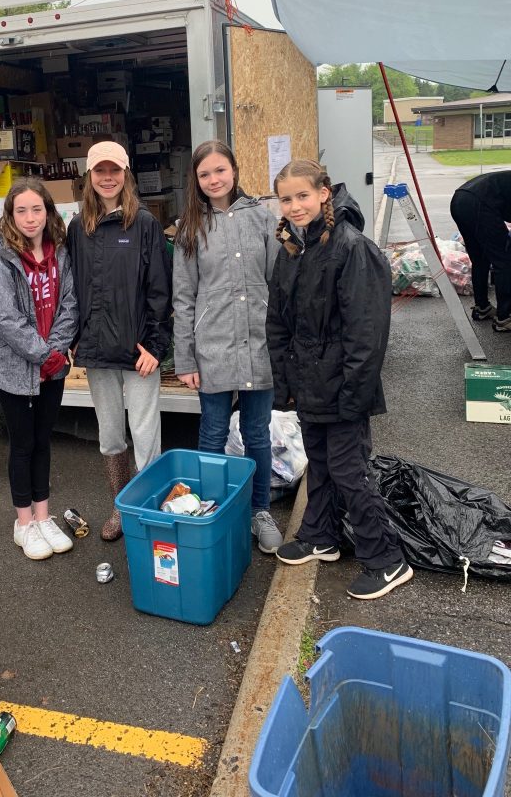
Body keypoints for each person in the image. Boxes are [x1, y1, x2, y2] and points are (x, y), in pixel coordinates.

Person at [267, 159, 413, 600]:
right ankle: (320, 536)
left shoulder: (352, 248)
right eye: (287, 198)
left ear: (324, 193)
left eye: (303, 196)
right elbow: (279, 321)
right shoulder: (293, 249)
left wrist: (354, 394)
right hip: (309, 384)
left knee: (352, 473)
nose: (295, 206)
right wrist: (284, 382)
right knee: (322, 465)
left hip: (344, 387)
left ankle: (386, 560)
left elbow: (366, 335)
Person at [173, 141, 283, 553]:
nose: (214, 179)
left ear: (234, 170)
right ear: (196, 182)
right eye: (205, 174)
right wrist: (185, 357)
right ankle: (212, 507)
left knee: (258, 432)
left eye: (220, 170)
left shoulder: (262, 218)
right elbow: (183, 298)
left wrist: (283, 345)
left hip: (258, 344)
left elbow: (279, 284)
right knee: (213, 432)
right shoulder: (190, 228)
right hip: (213, 346)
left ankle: (259, 509)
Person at [67, 141, 172, 541]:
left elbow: (160, 291)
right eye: (99, 171)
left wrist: (156, 346)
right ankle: (120, 507)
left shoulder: (143, 224)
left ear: (125, 174)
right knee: (110, 434)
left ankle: (148, 507)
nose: (107, 178)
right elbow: (74, 288)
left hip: (139, 350)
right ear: (89, 177)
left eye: (114, 171)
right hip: (97, 351)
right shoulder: (80, 228)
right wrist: (76, 338)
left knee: (146, 435)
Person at [0, 179, 78, 561]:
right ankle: (23, 522)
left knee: (43, 441)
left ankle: (43, 515)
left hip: (51, 367)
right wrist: (44, 354)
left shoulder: (61, 252)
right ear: (10, 215)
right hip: (15, 368)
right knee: (22, 445)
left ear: (48, 212)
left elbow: (70, 302)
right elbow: (5, 318)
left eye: (36, 209)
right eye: (21, 210)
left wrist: (55, 352)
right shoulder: (1, 258)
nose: (30, 218)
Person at [450, 170, 511, 331]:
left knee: (481, 259)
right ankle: (505, 318)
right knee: (504, 260)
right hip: (479, 203)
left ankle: (482, 308)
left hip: (460, 200)